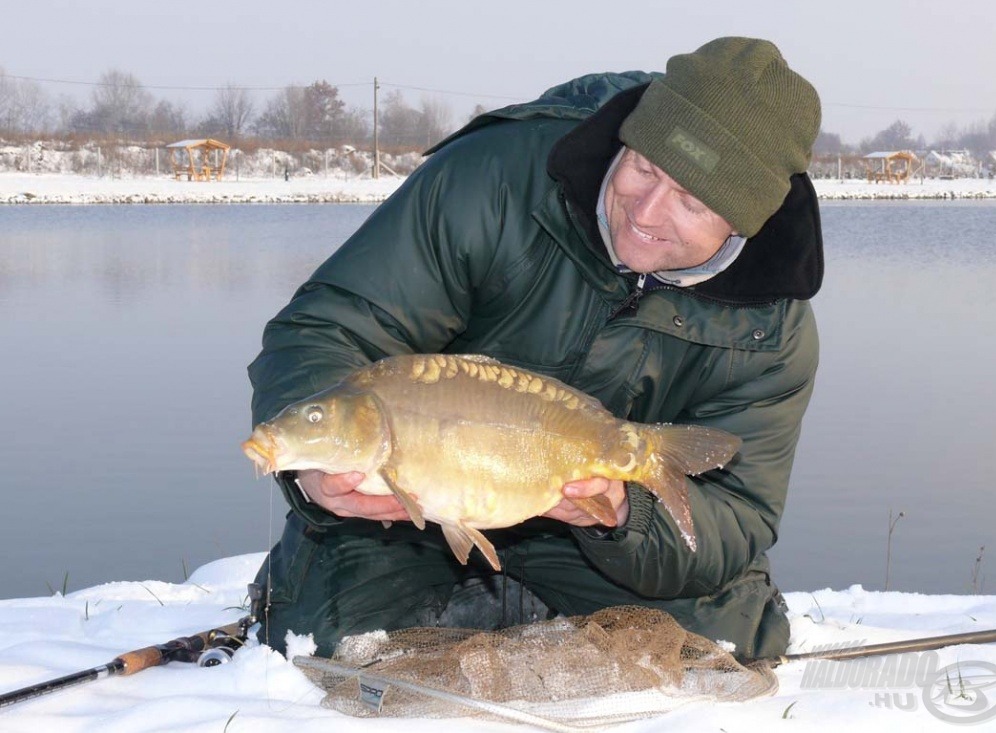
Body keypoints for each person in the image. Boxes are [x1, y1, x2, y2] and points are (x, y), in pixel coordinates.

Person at [248, 36, 823, 661]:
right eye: (644, 168)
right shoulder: (489, 180)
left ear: (744, 221)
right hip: (415, 506)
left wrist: (622, 514)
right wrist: (314, 473)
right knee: (334, 641)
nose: (647, 212)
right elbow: (327, 330)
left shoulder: (773, 330)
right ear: (627, 137)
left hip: (595, 544)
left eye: (691, 201)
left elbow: (737, 512)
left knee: (724, 646)